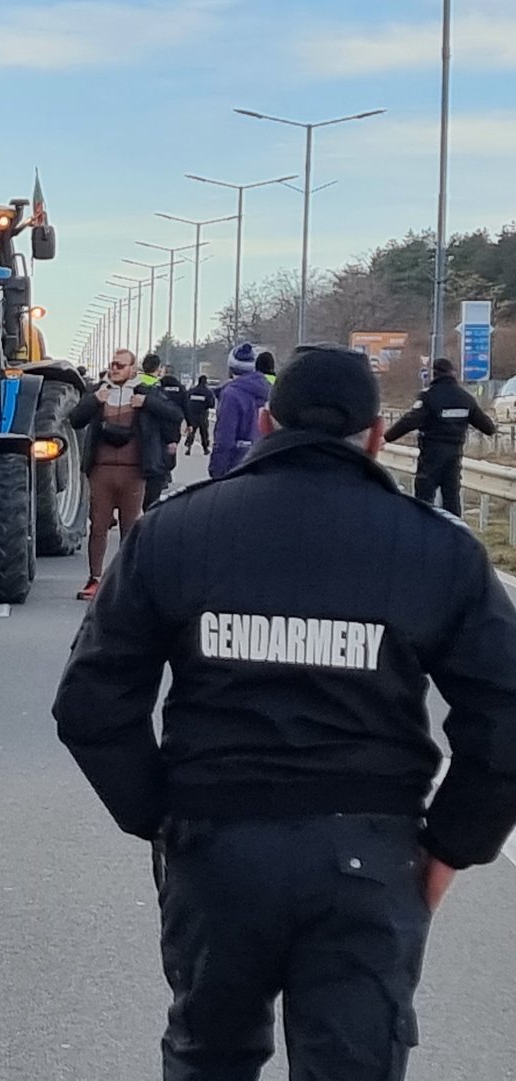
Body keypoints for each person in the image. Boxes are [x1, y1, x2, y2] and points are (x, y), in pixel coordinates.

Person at [53, 344, 516, 1081]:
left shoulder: (175, 533)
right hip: (369, 856)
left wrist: (163, 814)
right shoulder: (439, 552)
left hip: (217, 848)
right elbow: (504, 716)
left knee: (210, 1057)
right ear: (373, 435)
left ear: (266, 421)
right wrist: (452, 844)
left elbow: (90, 703)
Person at [67, 349, 182, 600]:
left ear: (133, 368)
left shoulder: (146, 391)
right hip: (101, 470)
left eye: (120, 365)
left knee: (130, 528)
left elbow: (175, 415)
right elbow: (75, 419)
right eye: (112, 364)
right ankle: (95, 578)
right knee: (98, 526)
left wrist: (148, 403)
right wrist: (95, 400)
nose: (115, 369)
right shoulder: (99, 390)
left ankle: (124, 582)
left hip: (134, 471)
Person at [384, 356, 496, 516]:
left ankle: (423, 535)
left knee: (424, 501)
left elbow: (409, 421)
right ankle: (454, 536)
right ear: (452, 373)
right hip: (454, 455)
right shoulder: (465, 398)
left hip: (431, 455)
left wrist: (386, 438)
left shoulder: (429, 396)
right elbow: (488, 427)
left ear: (434, 374)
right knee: (451, 499)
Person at [207, 343, 272, 477]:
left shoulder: (231, 394)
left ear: (231, 368)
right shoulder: (271, 390)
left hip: (237, 466)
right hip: (265, 464)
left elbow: (225, 437)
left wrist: (217, 470)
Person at [139, 354, 186, 507]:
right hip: (154, 450)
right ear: (158, 369)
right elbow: (174, 415)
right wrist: (173, 439)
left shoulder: (130, 386)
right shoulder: (158, 389)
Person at [181, 374, 215, 453]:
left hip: (192, 415)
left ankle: (188, 447)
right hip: (202, 415)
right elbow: (211, 404)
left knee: (191, 432)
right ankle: (205, 449)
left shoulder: (191, 391)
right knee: (204, 433)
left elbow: (186, 400)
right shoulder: (208, 392)